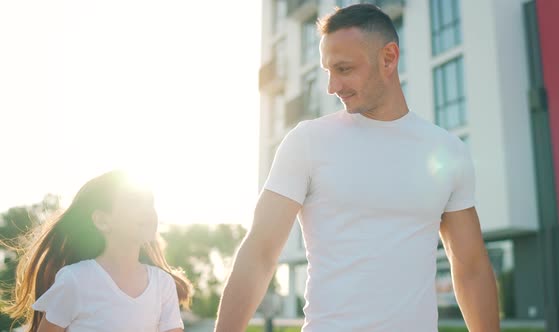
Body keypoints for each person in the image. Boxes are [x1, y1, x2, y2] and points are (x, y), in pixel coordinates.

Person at [215, 4, 500, 332]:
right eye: (328, 71)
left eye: (344, 69)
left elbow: (470, 268)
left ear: (388, 58)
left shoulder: (448, 152)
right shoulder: (307, 142)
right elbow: (260, 252)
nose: (332, 86)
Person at [3, 170, 192, 332]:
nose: (148, 210)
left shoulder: (163, 284)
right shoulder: (75, 280)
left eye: (150, 202)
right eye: (134, 202)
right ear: (102, 221)